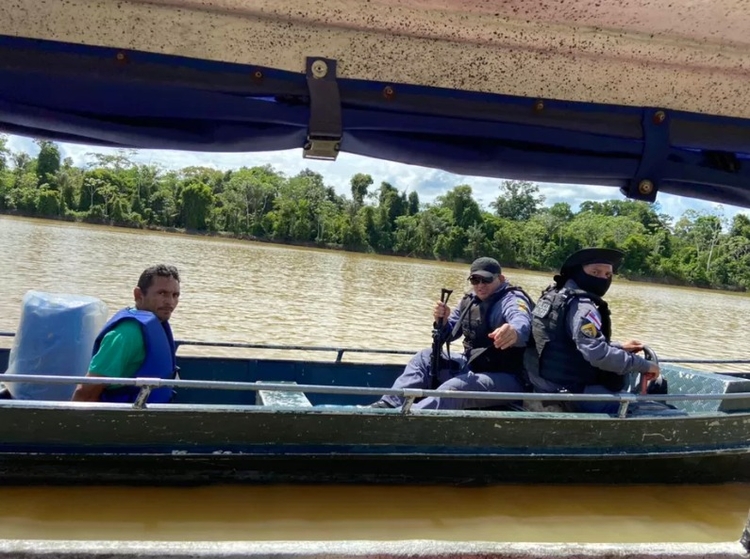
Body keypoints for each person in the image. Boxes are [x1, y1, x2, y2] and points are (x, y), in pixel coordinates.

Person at [366, 257, 533, 410]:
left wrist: (513, 331)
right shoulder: (470, 300)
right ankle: (388, 405)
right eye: (475, 280)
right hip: (473, 366)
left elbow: (521, 320)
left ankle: (407, 416)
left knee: (453, 389)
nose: (480, 285)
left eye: (486, 279)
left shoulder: (512, 299)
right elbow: (450, 333)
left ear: (500, 279)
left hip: (508, 377)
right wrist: (443, 320)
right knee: (425, 356)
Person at [525, 248, 662, 414]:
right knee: (655, 410)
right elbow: (598, 354)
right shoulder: (583, 307)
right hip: (569, 393)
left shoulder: (555, 295)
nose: (602, 278)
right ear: (577, 271)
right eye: (595, 272)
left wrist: (619, 347)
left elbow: (566, 342)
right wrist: (645, 365)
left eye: (607, 274)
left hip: (542, 385)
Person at [71, 264, 181, 403]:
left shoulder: (156, 325)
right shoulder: (126, 335)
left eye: (175, 295)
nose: (170, 302)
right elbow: (85, 393)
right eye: (162, 293)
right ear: (138, 295)